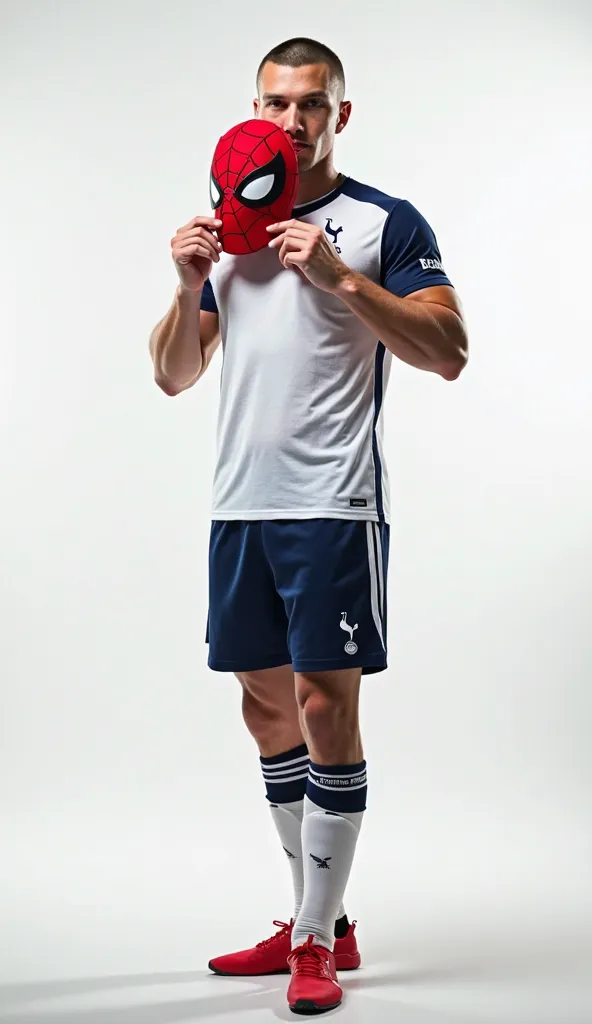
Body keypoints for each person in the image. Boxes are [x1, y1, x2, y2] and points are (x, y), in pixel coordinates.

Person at [149, 36, 468, 1016]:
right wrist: (181, 282)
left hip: (332, 502)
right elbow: (173, 372)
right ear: (256, 106)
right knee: (263, 706)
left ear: (340, 114)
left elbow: (448, 349)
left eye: (311, 105)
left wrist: (339, 280)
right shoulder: (228, 230)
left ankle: (319, 940)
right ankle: (309, 916)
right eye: (275, 103)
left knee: (326, 705)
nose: (291, 121)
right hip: (239, 500)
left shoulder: (381, 223)